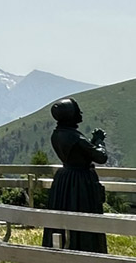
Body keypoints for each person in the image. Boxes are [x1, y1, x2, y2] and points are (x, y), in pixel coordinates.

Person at [42, 98, 109, 254]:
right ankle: (86, 250)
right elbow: (101, 157)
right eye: (77, 110)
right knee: (83, 214)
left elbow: (80, 153)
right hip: (80, 181)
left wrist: (90, 144)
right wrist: (99, 141)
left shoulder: (57, 134)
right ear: (70, 114)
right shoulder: (75, 137)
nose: (80, 113)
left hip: (64, 179)